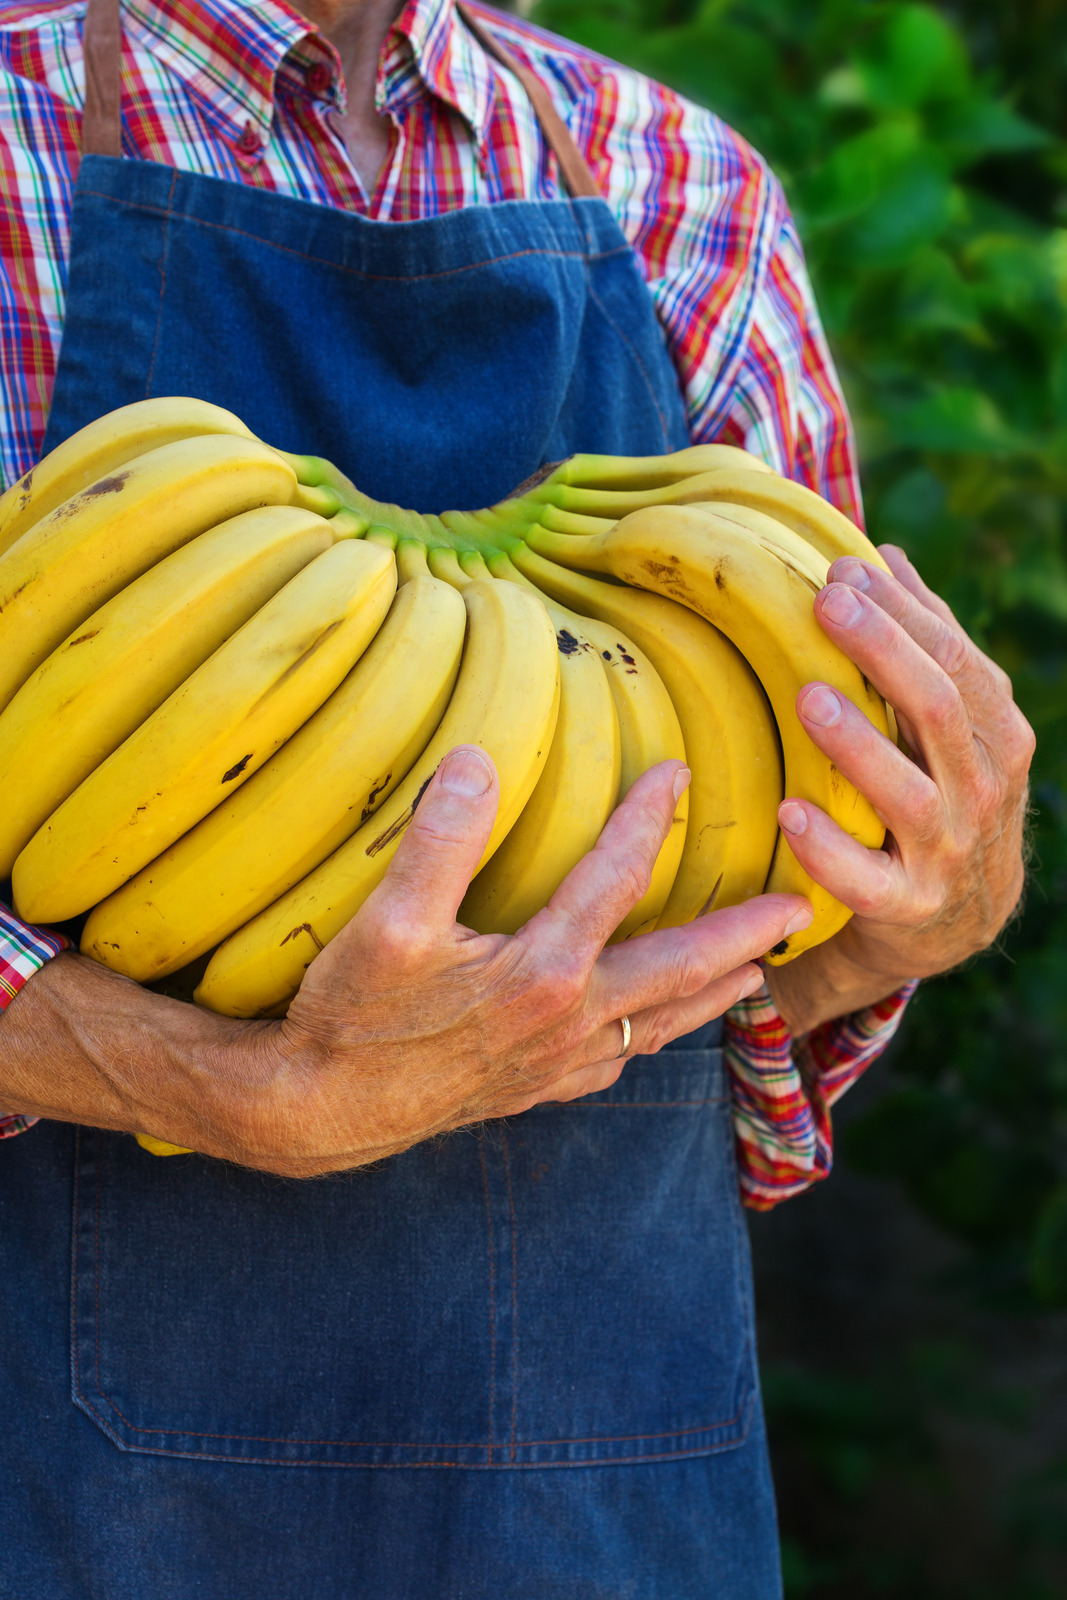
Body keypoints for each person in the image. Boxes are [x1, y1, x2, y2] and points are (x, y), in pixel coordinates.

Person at [0, 0, 1033, 1595]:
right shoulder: (15, 130)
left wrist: (925, 906)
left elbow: (776, 962)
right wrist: (205, 1081)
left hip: (610, 1502)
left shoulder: (688, 190)